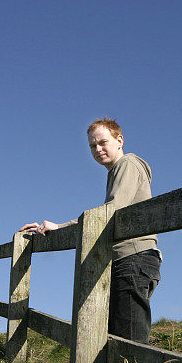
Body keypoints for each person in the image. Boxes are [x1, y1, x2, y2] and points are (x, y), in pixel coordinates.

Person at [20, 118, 161, 344]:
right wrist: (54, 229)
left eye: (103, 142)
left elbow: (110, 213)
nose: (98, 149)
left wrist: (59, 227)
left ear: (119, 140)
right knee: (115, 338)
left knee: (130, 341)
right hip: (126, 259)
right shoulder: (116, 171)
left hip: (133, 258)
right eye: (92, 146)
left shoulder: (128, 164)